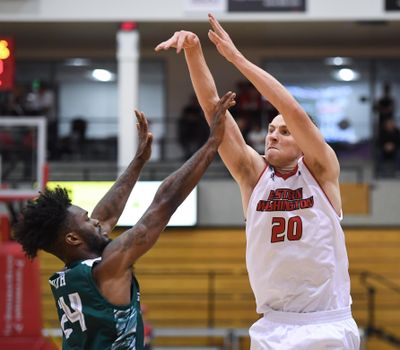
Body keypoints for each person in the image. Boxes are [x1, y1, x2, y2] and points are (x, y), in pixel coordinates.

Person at [156, 14, 360, 350]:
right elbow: (215, 114)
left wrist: (236, 58)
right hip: (273, 326)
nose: (273, 136)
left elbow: (289, 107)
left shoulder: (322, 170)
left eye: (284, 131)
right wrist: (194, 52)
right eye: (270, 130)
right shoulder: (254, 175)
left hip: (326, 323)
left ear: (305, 140)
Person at [13, 92, 236, 350]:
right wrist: (212, 143)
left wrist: (138, 161)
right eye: (87, 220)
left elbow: (106, 215)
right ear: (73, 238)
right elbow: (164, 204)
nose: (96, 221)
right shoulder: (107, 267)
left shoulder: (71, 274)